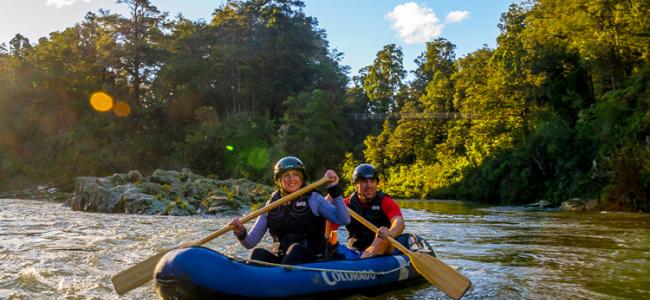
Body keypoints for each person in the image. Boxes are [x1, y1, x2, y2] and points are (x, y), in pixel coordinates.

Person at [229, 156, 350, 265]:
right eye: (286, 175)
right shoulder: (271, 205)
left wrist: (333, 188)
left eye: (295, 174)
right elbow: (250, 243)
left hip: (313, 261)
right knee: (257, 254)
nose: (291, 179)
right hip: (283, 260)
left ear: (302, 178)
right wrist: (240, 232)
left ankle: (282, 281)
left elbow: (344, 219)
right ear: (279, 181)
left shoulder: (314, 199)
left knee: (296, 249)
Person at [340, 163, 404, 259]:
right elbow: (328, 227)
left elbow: (399, 222)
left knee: (381, 236)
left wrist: (390, 232)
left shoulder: (385, 202)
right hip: (354, 249)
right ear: (355, 184)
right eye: (364, 181)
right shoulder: (346, 204)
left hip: (381, 248)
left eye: (372, 181)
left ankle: (362, 262)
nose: (369, 185)